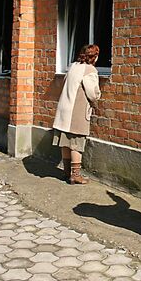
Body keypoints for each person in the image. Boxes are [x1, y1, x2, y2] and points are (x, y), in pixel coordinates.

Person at [52, 44, 101, 185]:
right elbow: (92, 93)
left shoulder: (73, 66)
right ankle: (76, 175)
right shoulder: (90, 70)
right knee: (76, 143)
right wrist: (98, 96)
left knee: (66, 142)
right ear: (95, 57)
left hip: (64, 109)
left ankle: (66, 173)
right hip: (76, 111)